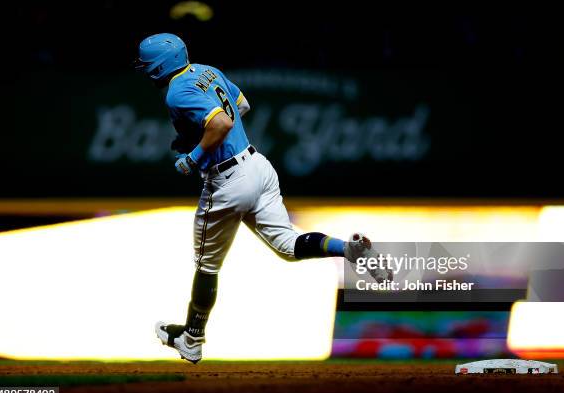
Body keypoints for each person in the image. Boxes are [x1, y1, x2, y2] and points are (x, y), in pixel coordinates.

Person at [134, 33, 389, 363]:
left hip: (226, 180)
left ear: (157, 66)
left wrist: (194, 155)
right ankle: (349, 249)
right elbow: (241, 105)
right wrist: (200, 136)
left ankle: (192, 339)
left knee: (207, 266)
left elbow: (222, 123)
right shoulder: (205, 70)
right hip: (257, 164)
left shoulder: (177, 92)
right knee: (286, 244)